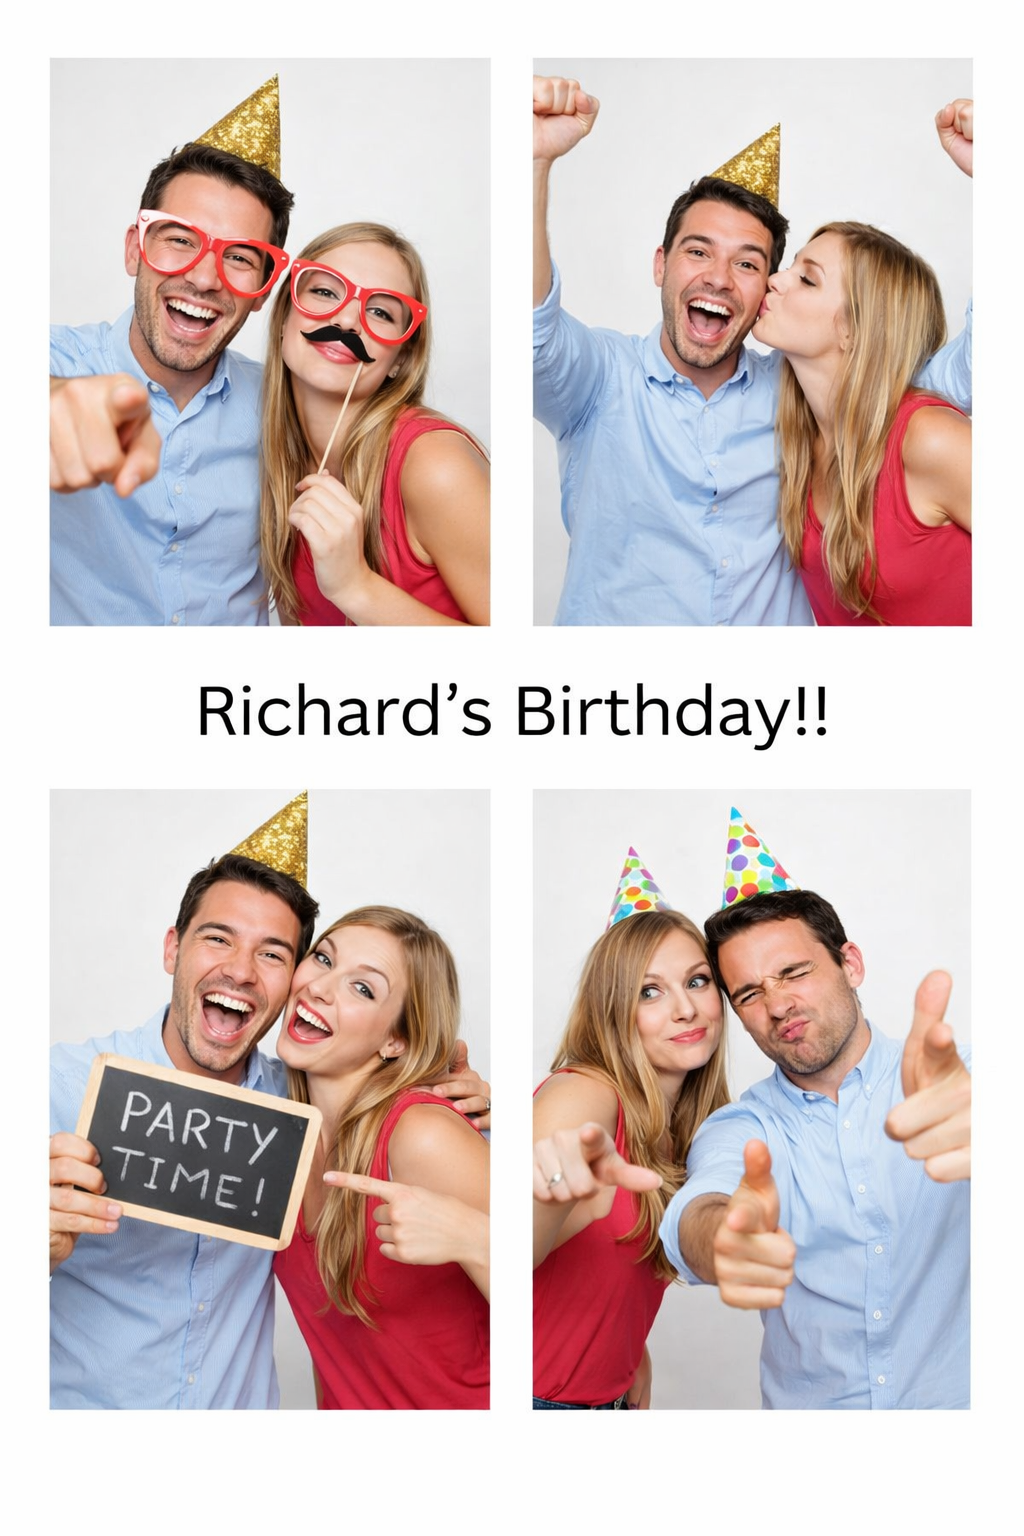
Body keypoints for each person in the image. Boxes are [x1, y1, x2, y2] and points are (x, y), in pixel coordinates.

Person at [49, 846, 490, 1410]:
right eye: (218, 938)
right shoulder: (59, 1089)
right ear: (172, 948)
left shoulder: (344, 1112)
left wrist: (463, 1103)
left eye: (273, 953)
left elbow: (540, 1281)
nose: (240, 970)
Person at [533, 76, 973, 626]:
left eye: (747, 264)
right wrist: (534, 163)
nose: (719, 278)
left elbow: (960, 373)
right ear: (660, 265)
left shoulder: (821, 399)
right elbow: (535, 337)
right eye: (698, 252)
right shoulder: (601, 380)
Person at [659, 887, 970, 1409]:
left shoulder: (960, 1081)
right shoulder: (739, 1127)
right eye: (749, 994)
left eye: (793, 972)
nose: (778, 1006)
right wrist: (723, 1236)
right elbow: (701, 1206)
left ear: (850, 964)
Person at [50, 78, 295, 625]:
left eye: (240, 257)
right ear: (135, 250)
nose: (204, 278)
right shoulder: (54, 360)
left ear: (263, 289)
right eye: (181, 239)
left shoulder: (286, 405)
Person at [272, 907, 490, 1408]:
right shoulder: (281, 1132)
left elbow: (549, 1311)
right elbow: (334, 1346)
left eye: (362, 988)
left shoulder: (421, 1135)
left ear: (396, 1039)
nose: (320, 988)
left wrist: (626, 1359)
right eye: (323, 959)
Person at [533, 882, 729, 1409]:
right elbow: (501, 1249)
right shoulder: (585, 1095)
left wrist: (624, 1346)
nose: (685, 1009)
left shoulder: (679, 1125)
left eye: (697, 981)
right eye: (649, 992)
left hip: (604, 1397)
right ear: (613, 1010)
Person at [259, 223, 490, 625]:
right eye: (325, 291)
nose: (348, 320)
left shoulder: (435, 466)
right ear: (283, 317)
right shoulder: (276, 465)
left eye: (381, 312)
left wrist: (355, 586)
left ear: (402, 358)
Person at [757, 220, 970, 623]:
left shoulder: (929, 438)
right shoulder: (801, 441)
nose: (775, 279)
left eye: (807, 279)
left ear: (854, 330)